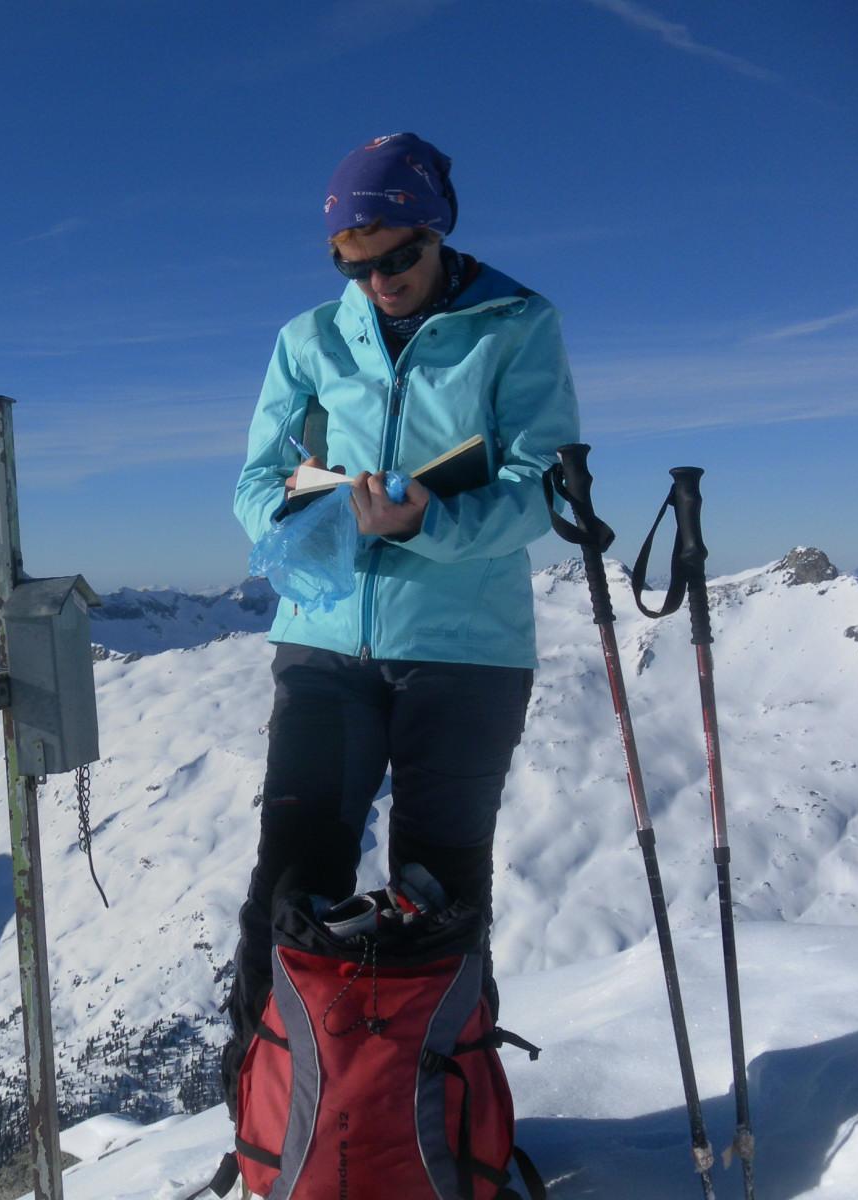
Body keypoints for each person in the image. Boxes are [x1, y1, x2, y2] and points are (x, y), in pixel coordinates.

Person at [226, 132, 580, 1054]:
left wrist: (428, 522)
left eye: (397, 258)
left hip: (464, 649)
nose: (378, 281)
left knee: (442, 888)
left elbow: (543, 488)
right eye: (355, 264)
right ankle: (264, 1105)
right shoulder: (308, 340)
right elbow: (256, 482)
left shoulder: (515, 325)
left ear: (437, 232)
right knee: (290, 882)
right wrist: (306, 511)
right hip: (322, 639)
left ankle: (444, 1105)